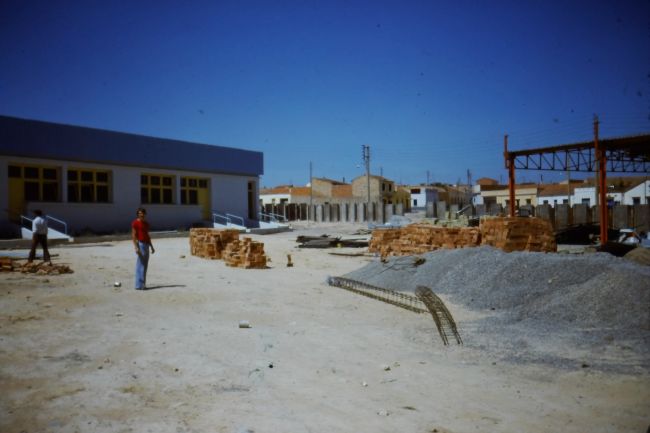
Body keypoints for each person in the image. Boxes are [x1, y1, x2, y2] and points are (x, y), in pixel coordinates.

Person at [131, 207, 155, 290]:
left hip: (146, 245)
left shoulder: (146, 224)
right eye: (140, 213)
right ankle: (139, 285)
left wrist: (152, 246)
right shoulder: (135, 223)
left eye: (143, 213)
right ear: (138, 214)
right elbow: (133, 235)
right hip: (140, 244)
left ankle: (142, 284)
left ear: (145, 214)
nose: (141, 215)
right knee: (140, 265)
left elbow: (147, 236)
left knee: (145, 265)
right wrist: (136, 247)